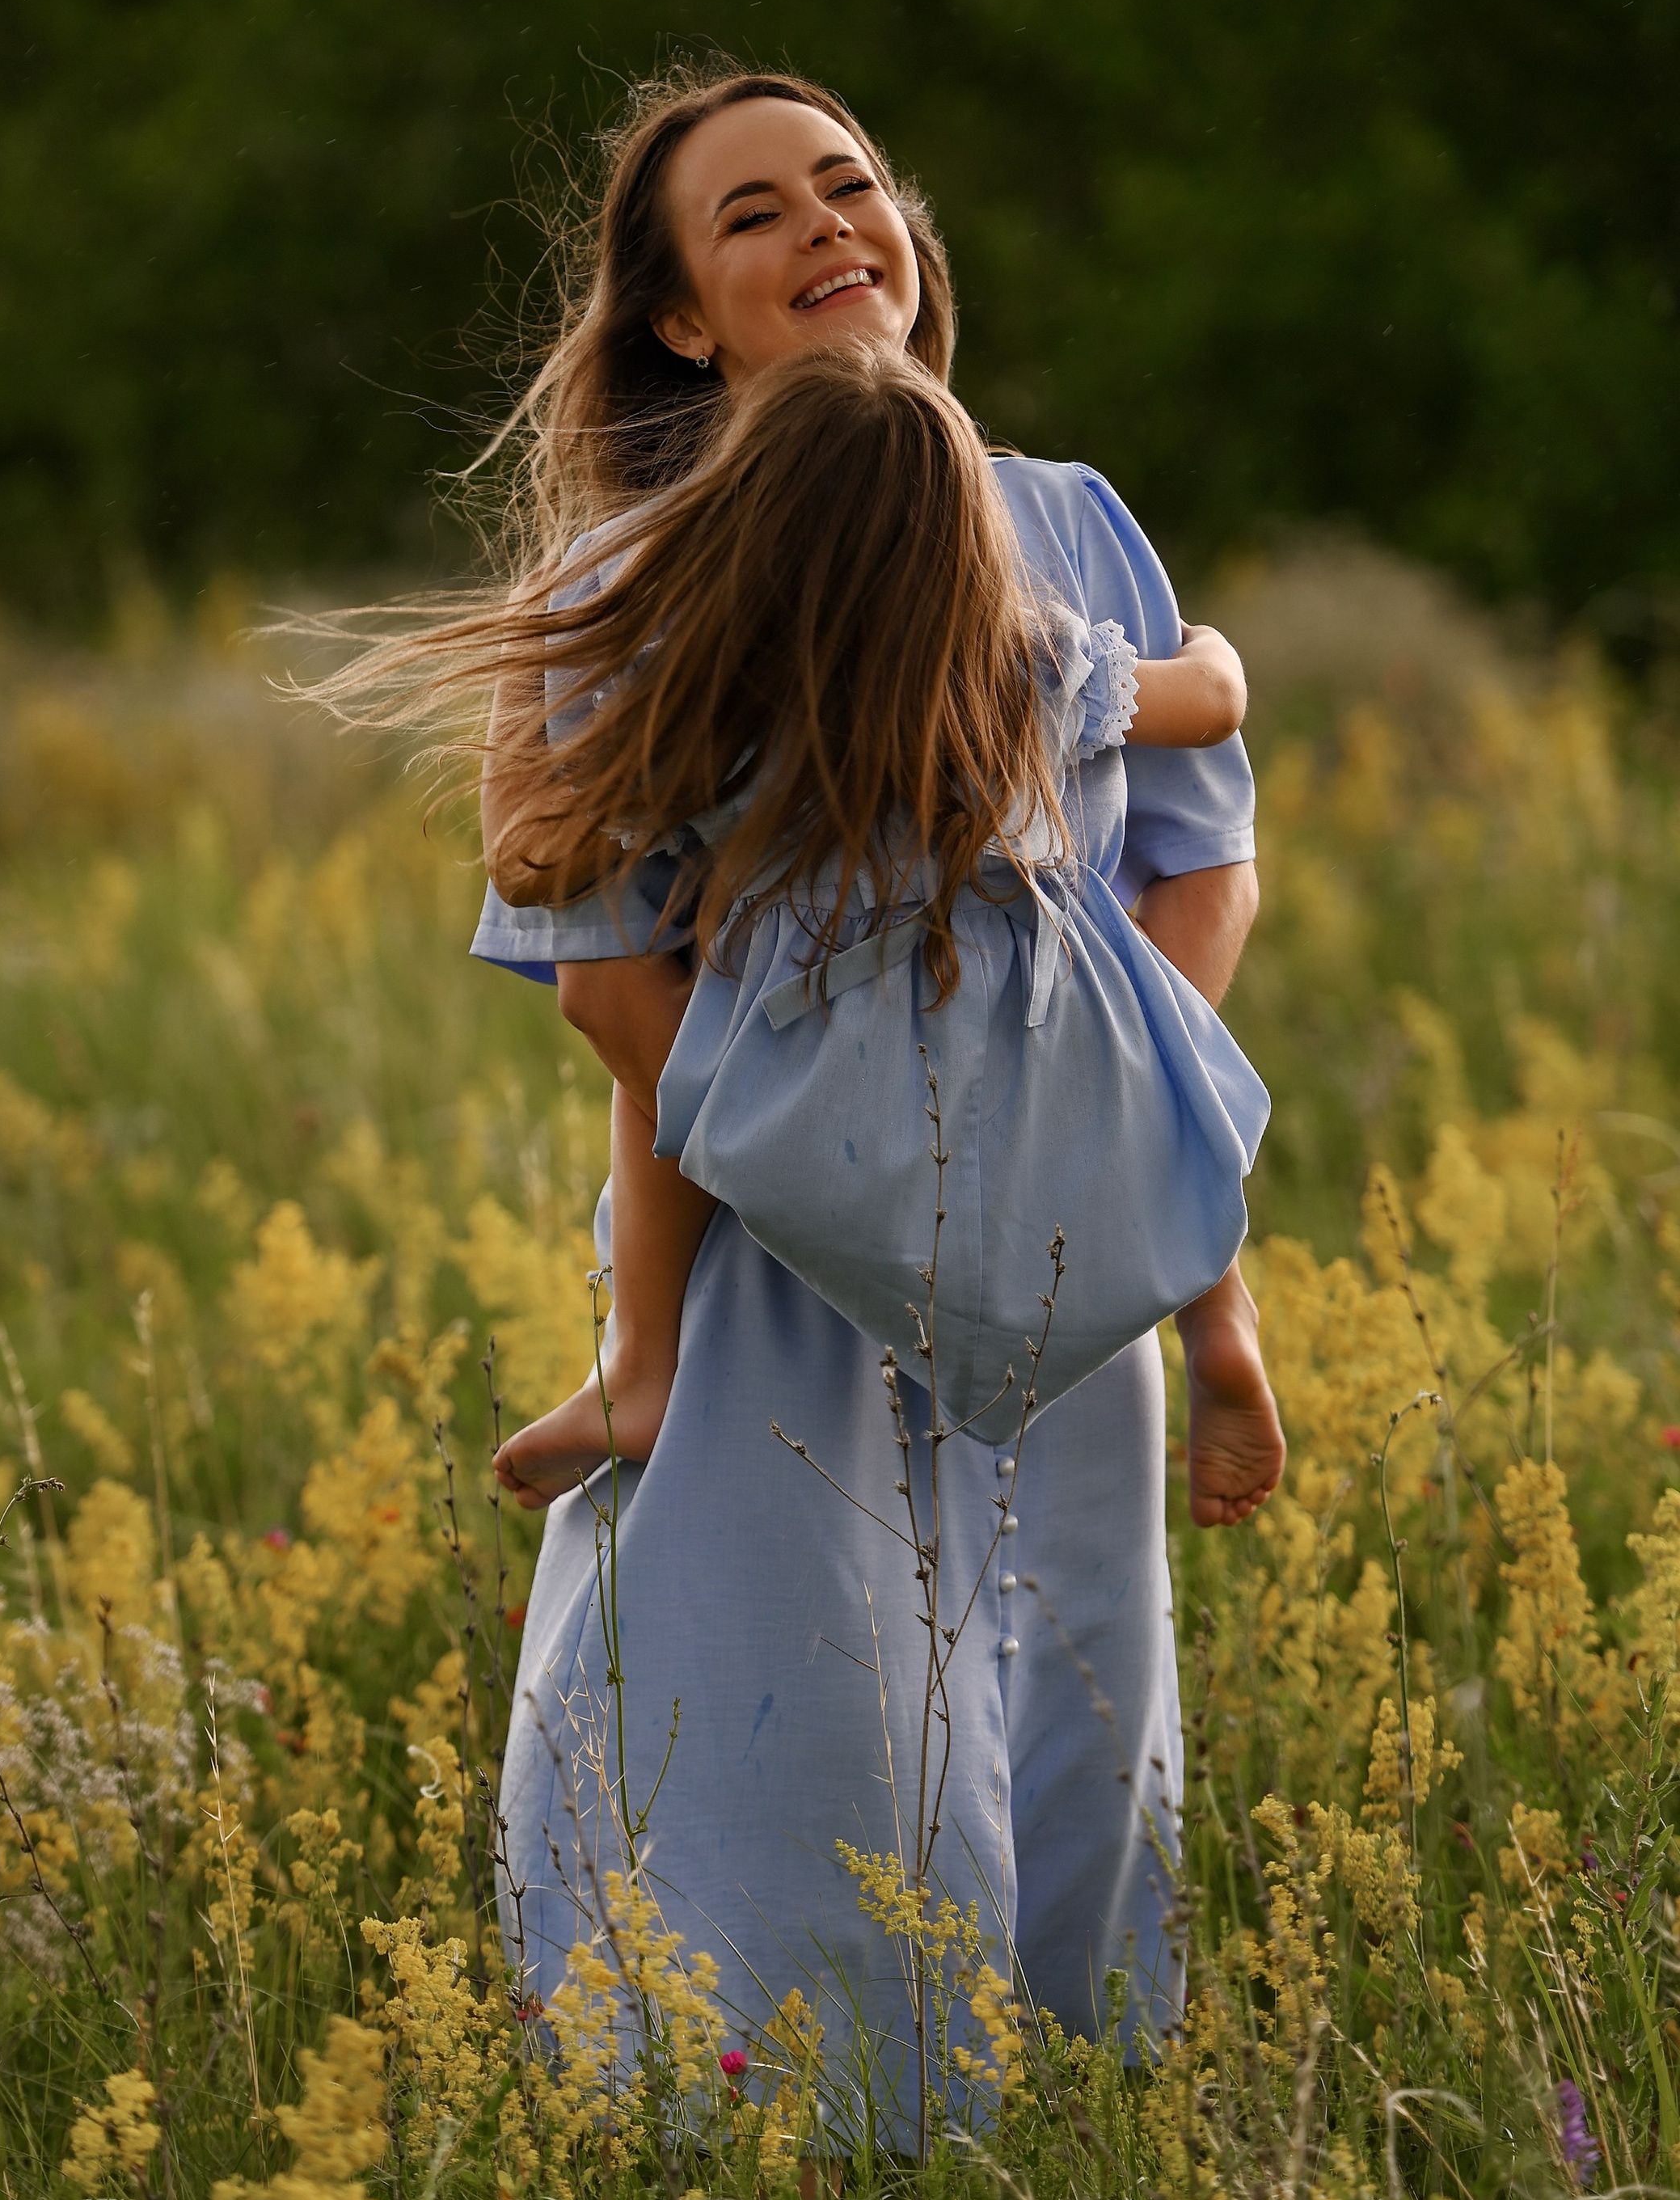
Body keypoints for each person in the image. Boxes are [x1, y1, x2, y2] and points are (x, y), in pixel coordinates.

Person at [314, 64, 1283, 2109]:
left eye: (847, 182)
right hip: (798, 1237)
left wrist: (1055, 1123)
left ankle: (1036, 2140)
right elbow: (600, 967)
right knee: (784, 1698)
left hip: (1038, 1225)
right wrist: (865, 1166)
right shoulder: (624, 574)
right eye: (749, 212)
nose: (824, 221)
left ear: (911, 239)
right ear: (677, 315)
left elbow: (1191, 862)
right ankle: (761, 2127)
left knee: (1024, 1694)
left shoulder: (1061, 519)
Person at [476, 336, 1274, 1517]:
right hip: (1042, 1010)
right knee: (1152, 1100)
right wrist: (1216, 653)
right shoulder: (1031, 662)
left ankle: (640, 1362)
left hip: (823, 1040)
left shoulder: (732, 700)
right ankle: (1220, 1321)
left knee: (662, 1088)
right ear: (968, 533)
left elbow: (540, 867)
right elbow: (1210, 705)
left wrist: (542, 680)